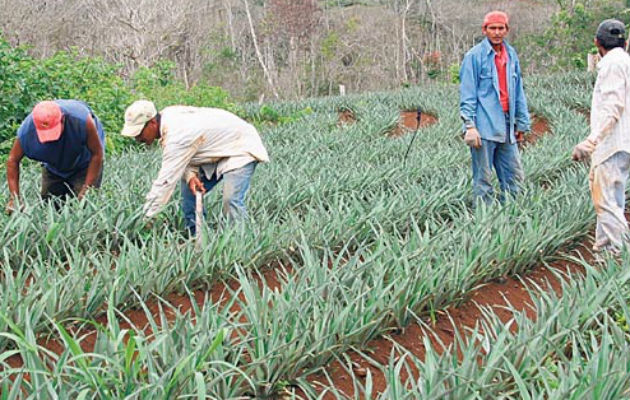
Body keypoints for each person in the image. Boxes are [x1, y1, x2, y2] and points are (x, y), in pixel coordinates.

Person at [120, 100, 269, 234]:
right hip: (215, 149)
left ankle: (241, 244)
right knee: (189, 190)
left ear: (152, 123)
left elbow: (165, 182)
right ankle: (196, 236)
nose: (137, 139)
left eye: (139, 133)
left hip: (240, 147)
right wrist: (191, 176)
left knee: (231, 200)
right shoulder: (167, 120)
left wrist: (146, 219)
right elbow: (190, 151)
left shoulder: (177, 135)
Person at [459, 11, 531, 204]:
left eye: (501, 28)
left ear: (507, 30)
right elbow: (468, 94)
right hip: (484, 127)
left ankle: (513, 220)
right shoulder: (473, 57)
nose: (497, 32)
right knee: (483, 181)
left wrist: (521, 124)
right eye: (493, 28)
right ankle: (485, 223)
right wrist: (469, 125)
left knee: (514, 178)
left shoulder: (511, 55)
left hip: (507, 126)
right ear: (485, 30)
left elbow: (518, 91)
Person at [572, 19, 630, 254]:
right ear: (624, 43)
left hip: (612, 144)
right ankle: (605, 254)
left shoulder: (612, 65)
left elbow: (612, 107)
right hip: (623, 143)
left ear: (597, 43)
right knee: (613, 200)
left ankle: (622, 256)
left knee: (606, 204)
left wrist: (592, 140)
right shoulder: (625, 61)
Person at [5, 100, 105, 213]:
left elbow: (97, 154)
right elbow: (12, 160)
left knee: (84, 207)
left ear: (62, 119)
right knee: (49, 206)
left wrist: (87, 188)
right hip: (53, 165)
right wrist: (14, 198)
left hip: (85, 163)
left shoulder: (82, 121)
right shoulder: (26, 133)